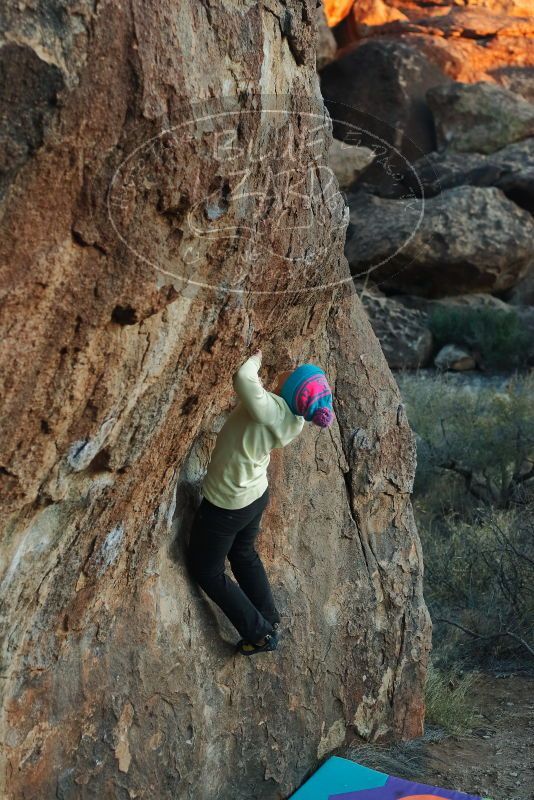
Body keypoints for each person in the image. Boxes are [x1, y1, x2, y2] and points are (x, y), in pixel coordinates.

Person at [186, 349, 335, 656]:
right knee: (242, 552)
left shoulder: (270, 409)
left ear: (292, 390)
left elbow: (243, 377)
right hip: (253, 496)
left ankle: (259, 633)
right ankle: (268, 616)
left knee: (207, 570)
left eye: (293, 374)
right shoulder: (294, 419)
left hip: (227, 504)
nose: (287, 370)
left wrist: (256, 357)